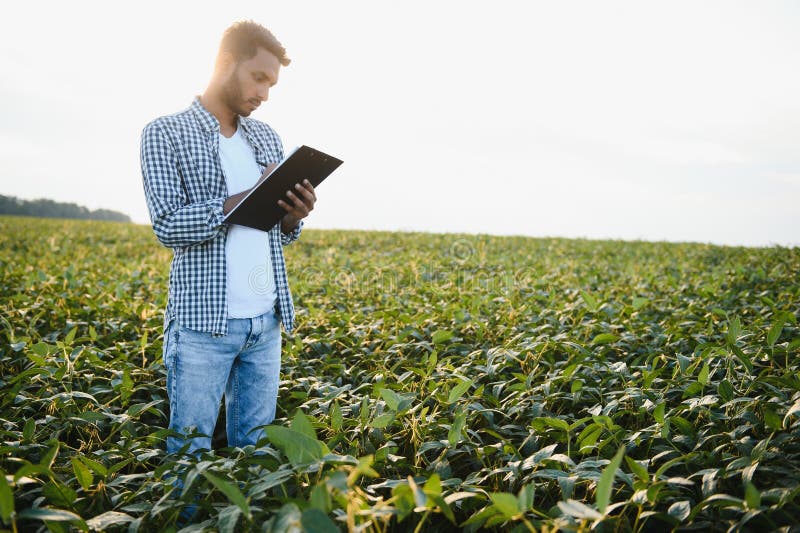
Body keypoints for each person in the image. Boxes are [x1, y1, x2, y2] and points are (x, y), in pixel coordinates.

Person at [140, 20, 316, 456]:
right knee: (189, 459)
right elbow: (168, 225)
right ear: (224, 63)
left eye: (272, 84)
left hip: (266, 323)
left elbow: (276, 236)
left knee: (258, 459)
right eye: (258, 78)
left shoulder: (266, 137)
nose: (265, 93)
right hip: (203, 326)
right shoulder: (164, 133)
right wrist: (244, 198)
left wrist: (293, 217)